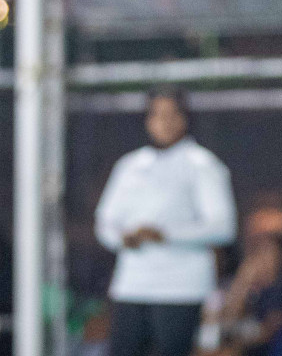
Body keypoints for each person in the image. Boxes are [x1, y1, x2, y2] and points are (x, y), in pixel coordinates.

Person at [95, 88, 237, 356]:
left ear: (185, 118)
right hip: (131, 286)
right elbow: (105, 223)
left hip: (180, 289)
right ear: (148, 120)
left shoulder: (202, 164)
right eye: (158, 115)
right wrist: (122, 238)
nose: (165, 122)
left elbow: (223, 228)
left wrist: (165, 235)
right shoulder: (129, 165)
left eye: (172, 114)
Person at [212, 233, 282, 356]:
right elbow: (227, 320)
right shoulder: (253, 290)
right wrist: (243, 280)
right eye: (258, 256)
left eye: (268, 256)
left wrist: (239, 343)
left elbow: (270, 329)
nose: (261, 262)